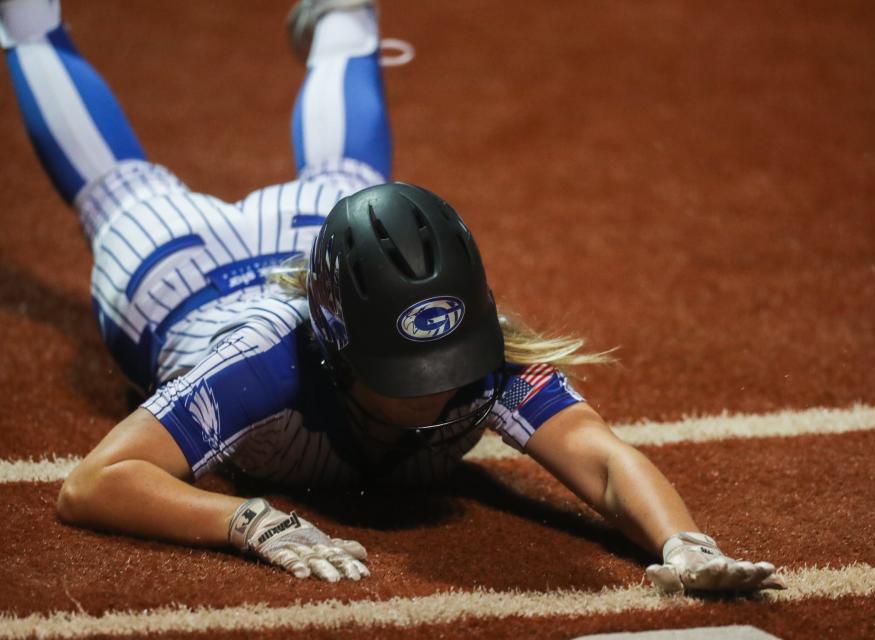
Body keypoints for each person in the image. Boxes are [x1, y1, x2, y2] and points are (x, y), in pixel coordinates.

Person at [1, 0, 785, 592]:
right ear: (337, 351)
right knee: (119, 190)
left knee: (352, 186)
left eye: (449, 359)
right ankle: (28, 22)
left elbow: (606, 463)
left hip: (316, 240)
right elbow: (94, 482)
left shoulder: (482, 351)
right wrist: (245, 521)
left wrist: (685, 544)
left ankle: (342, 18)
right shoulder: (266, 363)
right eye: (408, 371)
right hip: (187, 281)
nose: (440, 387)